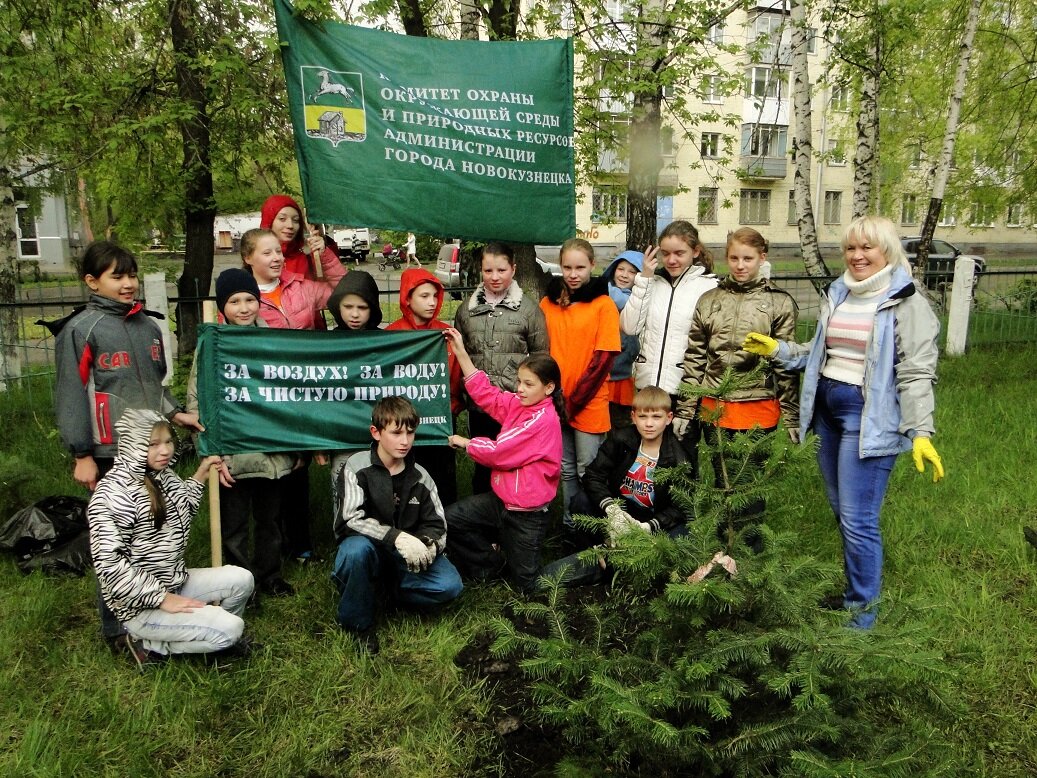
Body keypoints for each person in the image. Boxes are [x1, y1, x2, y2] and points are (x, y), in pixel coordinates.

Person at [743, 215, 944, 629]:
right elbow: (821, 354)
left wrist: (920, 431)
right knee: (843, 512)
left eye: (867, 247)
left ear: (887, 250)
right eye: (851, 248)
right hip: (827, 413)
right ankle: (856, 596)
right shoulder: (839, 291)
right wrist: (780, 350)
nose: (857, 256)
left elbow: (916, 372)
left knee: (859, 519)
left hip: (866, 417)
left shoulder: (906, 301)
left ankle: (863, 616)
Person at [52, 240, 203, 648]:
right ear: (92, 281)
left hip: (150, 449)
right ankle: (117, 630)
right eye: (116, 276)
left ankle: (153, 613)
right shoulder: (81, 330)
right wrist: (82, 453)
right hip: (107, 452)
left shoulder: (149, 327)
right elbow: (71, 393)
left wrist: (175, 414)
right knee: (114, 545)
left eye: (132, 275)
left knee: (152, 535)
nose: (128, 283)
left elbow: (155, 387)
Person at [88, 409, 255, 671]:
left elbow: (181, 510)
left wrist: (201, 473)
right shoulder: (112, 494)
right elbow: (110, 566)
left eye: (168, 441)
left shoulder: (163, 476)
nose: (164, 450)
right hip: (140, 606)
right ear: (133, 444)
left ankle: (213, 640)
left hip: (174, 581)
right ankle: (148, 644)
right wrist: (162, 599)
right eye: (153, 444)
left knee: (241, 579)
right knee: (232, 628)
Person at [676, 228, 799, 534]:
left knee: (751, 485)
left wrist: (793, 415)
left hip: (758, 407)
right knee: (723, 482)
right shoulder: (709, 300)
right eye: (734, 258)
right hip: (715, 407)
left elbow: (785, 362)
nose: (740, 265)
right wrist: (685, 408)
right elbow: (695, 357)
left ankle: (751, 549)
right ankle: (723, 549)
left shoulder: (779, 303)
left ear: (762, 258)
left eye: (748, 258)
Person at [186, 269, 299, 598]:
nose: (244, 307)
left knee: (271, 520)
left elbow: (293, 394)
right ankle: (238, 583)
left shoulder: (276, 341)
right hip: (231, 454)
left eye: (250, 299)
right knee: (233, 524)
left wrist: (296, 447)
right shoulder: (213, 345)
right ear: (223, 307)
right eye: (235, 301)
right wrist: (210, 452)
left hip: (272, 452)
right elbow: (197, 399)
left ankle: (270, 575)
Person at [241, 226, 344, 565]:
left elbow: (342, 292)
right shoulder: (241, 297)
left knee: (298, 468)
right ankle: (271, 546)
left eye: (278, 252)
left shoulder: (300, 287)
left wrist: (324, 255)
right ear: (248, 258)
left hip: (305, 392)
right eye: (267, 252)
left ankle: (300, 545)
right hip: (266, 396)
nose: (276, 257)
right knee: (273, 471)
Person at [331, 397, 464, 654]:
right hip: (367, 548)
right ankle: (358, 624)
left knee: (450, 585)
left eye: (410, 433)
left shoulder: (421, 475)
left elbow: (438, 525)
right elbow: (350, 518)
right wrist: (397, 537)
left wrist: (426, 546)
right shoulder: (357, 466)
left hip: (405, 557)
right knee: (355, 552)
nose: (405, 441)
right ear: (376, 433)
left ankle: (387, 593)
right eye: (396, 433)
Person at [443, 328, 564, 593]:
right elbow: (487, 394)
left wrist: (465, 442)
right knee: (450, 519)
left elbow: (500, 453)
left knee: (528, 586)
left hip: (527, 514)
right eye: (519, 381)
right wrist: (461, 351)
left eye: (529, 384)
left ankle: (593, 562)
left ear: (549, 388)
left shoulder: (541, 420)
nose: (519, 389)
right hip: (501, 500)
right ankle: (490, 565)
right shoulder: (521, 405)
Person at [541, 386, 691, 587]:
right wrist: (612, 510)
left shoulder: (678, 457)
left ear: (669, 417)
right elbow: (592, 475)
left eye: (656, 417)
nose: (649, 424)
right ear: (633, 416)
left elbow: (681, 505)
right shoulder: (622, 439)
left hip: (652, 518)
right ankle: (597, 552)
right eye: (643, 416)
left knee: (683, 535)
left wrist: (648, 526)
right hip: (621, 509)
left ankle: (638, 567)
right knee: (580, 502)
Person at [453, 241, 549, 494]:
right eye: (488, 271)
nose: (494, 277)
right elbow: (459, 357)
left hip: (515, 405)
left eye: (501, 270)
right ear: (480, 271)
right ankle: (480, 522)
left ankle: (514, 515)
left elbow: (541, 358)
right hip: (479, 406)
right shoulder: (466, 311)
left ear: (513, 269)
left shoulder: (530, 311)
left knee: (513, 463)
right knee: (483, 465)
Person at [539, 238, 620, 528]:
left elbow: (602, 361)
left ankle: (594, 528)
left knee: (589, 470)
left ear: (592, 266)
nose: (573, 274)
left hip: (588, 402)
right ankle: (571, 525)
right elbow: (541, 350)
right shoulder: (550, 302)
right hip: (555, 400)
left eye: (580, 267)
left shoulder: (603, 305)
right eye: (567, 267)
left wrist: (572, 404)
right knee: (566, 470)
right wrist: (555, 398)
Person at [620, 220, 718, 453]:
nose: (671, 260)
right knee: (647, 457)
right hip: (649, 387)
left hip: (685, 391)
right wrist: (643, 279)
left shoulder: (709, 287)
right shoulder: (651, 283)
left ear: (695, 252)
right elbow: (630, 326)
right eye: (665, 253)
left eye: (679, 253)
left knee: (682, 459)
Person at [386, 268, 463, 504]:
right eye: (424, 296)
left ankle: (445, 531)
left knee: (442, 484)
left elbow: (456, 377)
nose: (432, 302)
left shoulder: (446, 335)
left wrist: (451, 408)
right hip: (401, 427)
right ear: (407, 298)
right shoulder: (391, 335)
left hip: (440, 425)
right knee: (405, 484)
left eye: (435, 296)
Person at [321, 269, 386, 509]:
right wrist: (321, 442)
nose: (355, 314)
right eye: (348, 307)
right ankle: (346, 541)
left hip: (381, 437)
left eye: (363, 307)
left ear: (373, 309)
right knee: (345, 495)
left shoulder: (387, 342)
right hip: (342, 438)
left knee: (381, 496)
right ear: (338, 307)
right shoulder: (325, 344)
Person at [603, 249, 644, 430]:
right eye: (621, 269)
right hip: (602, 370)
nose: (625, 275)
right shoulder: (603, 292)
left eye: (632, 271)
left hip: (624, 371)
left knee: (620, 421)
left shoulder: (639, 300)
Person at [259, 194, 339, 281]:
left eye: (296, 220)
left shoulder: (308, 258)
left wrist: (323, 251)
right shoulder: (256, 258)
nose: (290, 225)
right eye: (282, 219)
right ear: (268, 221)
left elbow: (332, 285)